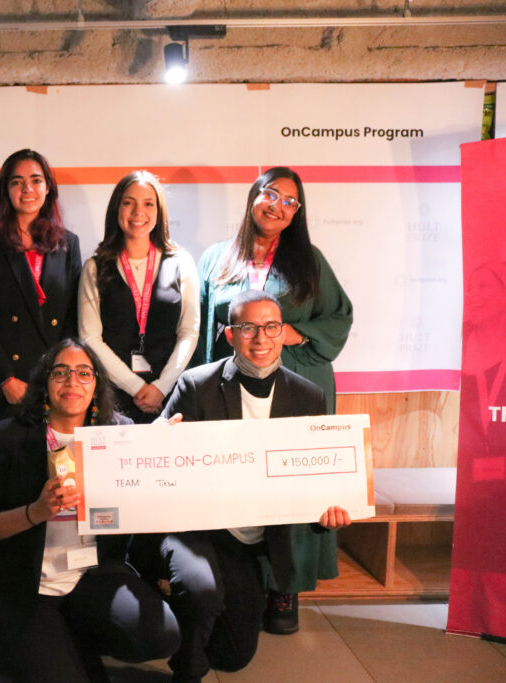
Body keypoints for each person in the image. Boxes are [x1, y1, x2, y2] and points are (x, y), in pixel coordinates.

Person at [129, 289, 352, 683]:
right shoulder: (197, 385)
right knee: (202, 592)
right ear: (230, 334)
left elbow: (316, 478)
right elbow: (151, 456)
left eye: (271, 327)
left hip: (248, 541)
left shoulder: (307, 395)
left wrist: (328, 511)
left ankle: (191, 621)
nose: (261, 338)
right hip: (195, 529)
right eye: (248, 327)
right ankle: (187, 666)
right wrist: (158, 437)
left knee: (233, 655)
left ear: (284, 332)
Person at [0, 338, 180, 683]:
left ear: (97, 384)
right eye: (61, 372)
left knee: (161, 634)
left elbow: (148, 491)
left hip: (92, 578)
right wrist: (35, 511)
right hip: (26, 585)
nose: (72, 382)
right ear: (44, 382)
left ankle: (59, 641)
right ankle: (7, 644)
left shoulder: (119, 434)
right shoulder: (6, 438)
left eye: (84, 373)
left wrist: (161, 453)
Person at [195, 166, 353, 633]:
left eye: (290, 201)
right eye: (271, 194)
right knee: (236, 479)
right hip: (232, 386)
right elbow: (204, 328)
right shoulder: (216, 259)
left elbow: (339, 318)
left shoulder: (310, 260)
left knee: (290, 479)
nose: (278, 206)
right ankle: (235, 576)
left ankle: (285, 584)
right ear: (253, 197)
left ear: (297, 212)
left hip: (294, 383)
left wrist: (296, 334)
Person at [0, 149, 83, 492]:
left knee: (47, 491)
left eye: (35, 181)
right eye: (17, 182)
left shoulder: (67, 244)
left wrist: (59, 380)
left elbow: (72, 323)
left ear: (47, 189)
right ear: (5, 190)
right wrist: (6, 378)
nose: (27, 189)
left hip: (48, 392)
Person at [79, 170, 199, 423]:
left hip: (168, 394)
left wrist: (161, 387)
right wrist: (136, 387)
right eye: (128, 203)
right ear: (116, 209)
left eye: (148, 204)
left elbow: (189, 332)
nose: (138, 212)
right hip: (113, 397)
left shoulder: (181, 262)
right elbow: (89, 337)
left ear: (159, 211)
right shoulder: (95, 267)